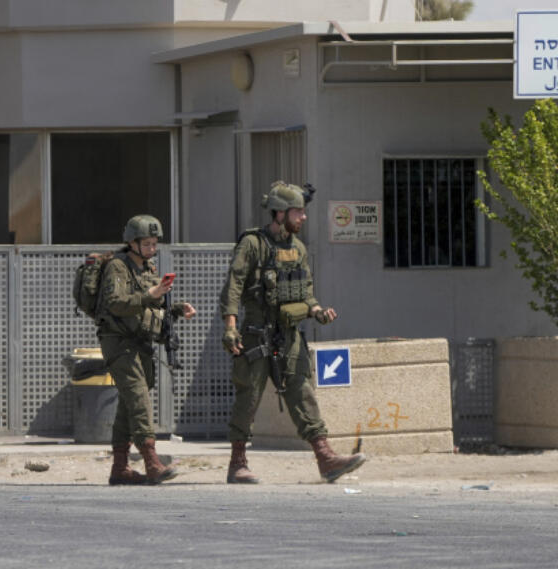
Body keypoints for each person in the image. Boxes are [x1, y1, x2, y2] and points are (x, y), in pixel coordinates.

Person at [219, 181, 366, 484]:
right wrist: (230, 327)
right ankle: (237, 463)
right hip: (256, 333)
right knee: (249, 397)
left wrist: (317, 311)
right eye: (298, 211)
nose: (304, 217)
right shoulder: (253, 244)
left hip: (289, 335)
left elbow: (307, 293)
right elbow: (233, 286)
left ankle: (325, 458)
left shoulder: (298, 248)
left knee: (303, 392)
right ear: (279, 213)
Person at [96, 214, 196, 485]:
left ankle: (119, 467)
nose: (153, 248)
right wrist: (150, 294)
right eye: (147, 243)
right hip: (118, 341)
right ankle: (152, 461)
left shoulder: (147, 268)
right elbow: (116, 303)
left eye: (155, 243)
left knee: (130, 404)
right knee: (138, 398)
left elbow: (152, 305)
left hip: (140, 341)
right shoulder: (117, 267)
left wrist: (176, 308)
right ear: (133, 243)